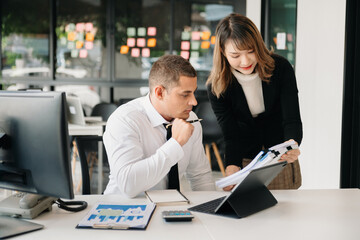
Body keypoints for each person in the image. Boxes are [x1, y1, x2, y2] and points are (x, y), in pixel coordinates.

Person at [207, 13, 302, 190]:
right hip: (246, 160)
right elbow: (231, 134)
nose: (245, 61)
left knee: (286, 214)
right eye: (235, 55)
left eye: (251, 51)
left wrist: (292, 144)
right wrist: (232, 167)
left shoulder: (281, 68)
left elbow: (292, 118)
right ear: (222, 51)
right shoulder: (217, 86)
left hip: (281, 158)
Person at [103, 55, 215, 197]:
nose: (194, 102)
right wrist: (175, 144)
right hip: (123, 209)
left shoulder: (190, 119)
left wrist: (213, 208)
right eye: (185, 95)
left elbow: (200, 176)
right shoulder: (125, 119)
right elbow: (129, 185)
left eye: (193, 93)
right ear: (159, 92)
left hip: (170, 208)